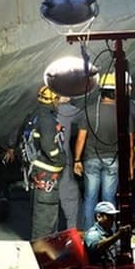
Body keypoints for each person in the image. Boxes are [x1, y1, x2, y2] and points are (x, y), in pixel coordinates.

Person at [74, 73, 135, 230]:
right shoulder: (123, 113)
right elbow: (130, 142)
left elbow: (81, 138)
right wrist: (130, 165)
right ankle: (110, 233)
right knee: (109, 199)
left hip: (91, 159)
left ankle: (88, 232)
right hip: (113, 160)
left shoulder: (89, 111)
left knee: (90, 198)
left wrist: (77, 160)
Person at [28, 86, 67, 239]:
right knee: (46, 214)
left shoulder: (35, 114)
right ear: (53, 100)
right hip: (46, 174)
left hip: (38, 169)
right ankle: (42, 250)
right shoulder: (47, 120)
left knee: (42, 211)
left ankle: (44, 245)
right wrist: (59, 159)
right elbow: (48, 145)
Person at [56, 94, 83, 230]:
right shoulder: (73, 112)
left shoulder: (39, 113)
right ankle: (71, 230)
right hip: (64, 160)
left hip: (44, 166)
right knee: (70, 196)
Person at [83, 201, 131, 267]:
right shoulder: (93, 233)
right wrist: (117, 235)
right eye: (109, 216)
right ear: (99, 217)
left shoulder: (109, 232)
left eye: (113, 216)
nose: (113, 219)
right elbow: (97, 247)